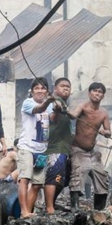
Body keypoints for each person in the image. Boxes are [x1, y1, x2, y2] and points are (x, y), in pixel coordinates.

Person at [67, 82, 112, 211]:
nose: (97, 93)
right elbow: (73, 115)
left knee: (101, 176)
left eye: (100, 92)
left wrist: (105, 132)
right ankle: (74, 209)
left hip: (92, 151)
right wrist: (66, 111)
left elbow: (109, 132)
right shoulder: (83, 106)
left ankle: (99, 211)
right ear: (89, 93)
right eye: (94, 91)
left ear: (103, 96)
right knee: (78, 174)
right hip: (77, 149)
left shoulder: (104, 113)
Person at [16, 77, 55, 218]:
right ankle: (23, 211)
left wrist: (58, 106)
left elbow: (53, 118)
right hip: (27, 147)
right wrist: (49, 102)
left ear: (47, 91)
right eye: (36, 88)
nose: (40, 90)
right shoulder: (28, 103)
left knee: (38, 184)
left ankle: (28, 212)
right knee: (24, 179)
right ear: (32, 91)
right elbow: (39, 109)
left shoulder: (49, 105)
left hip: (42, 149)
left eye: (43, 88)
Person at [44, 77, 74, 214]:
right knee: (53, 176)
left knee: (62, 178)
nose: (66, 88)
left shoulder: (66, 106)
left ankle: (52, 204)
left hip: (64, 149)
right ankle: (49, 207)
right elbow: (52, 117)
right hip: (55, 148)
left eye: (68, 86)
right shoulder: (54, 102)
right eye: (62, 85)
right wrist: (57, 110)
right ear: (55, 89)